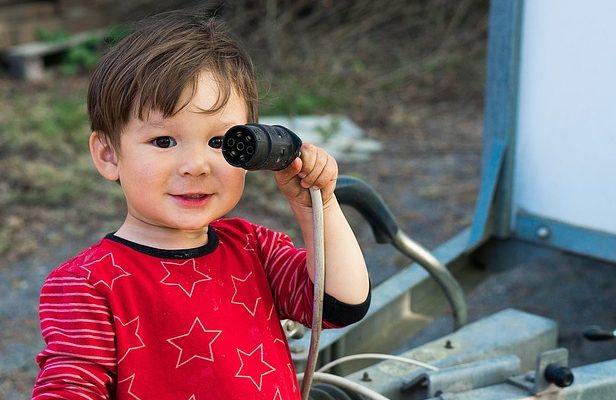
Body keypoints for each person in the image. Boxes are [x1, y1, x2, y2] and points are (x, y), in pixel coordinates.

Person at [32, 10, 370, 399]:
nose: (196, 166)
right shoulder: (88, 284)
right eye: (164, 142)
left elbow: (342, 303)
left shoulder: (253, 249)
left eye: (218, 142)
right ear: (109, 155)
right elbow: (70, 387)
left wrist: (318, 208)